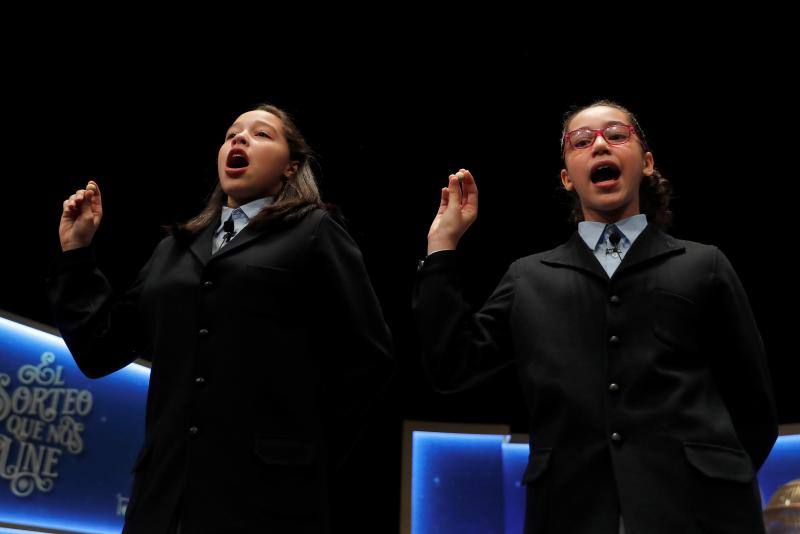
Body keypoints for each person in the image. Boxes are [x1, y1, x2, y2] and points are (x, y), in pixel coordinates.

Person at [413, 100, 778, 533]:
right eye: (581, 141)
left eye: (616, 134)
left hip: (697, 515)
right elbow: (452, 366)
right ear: (568, 178)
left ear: (645, 162)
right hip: (571, 512)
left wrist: (714, 477)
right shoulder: (528, 277)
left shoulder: (705, 264)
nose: (600, 145)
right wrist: (441, 248)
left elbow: (754, 407)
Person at [47, 103, 394, 534]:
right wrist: (78, 255)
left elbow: (368, 357)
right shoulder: (174, 249)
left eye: (261, 134)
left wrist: (303, 453)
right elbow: (100, 350)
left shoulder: (315, 231)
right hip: (165, 499)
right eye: (231, 133)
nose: (239, 139)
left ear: (291, 167)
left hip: (269, 500)